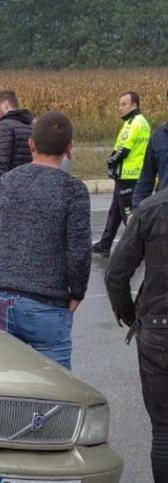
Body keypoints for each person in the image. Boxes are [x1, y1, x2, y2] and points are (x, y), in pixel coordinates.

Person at [0, 112, 90, 370]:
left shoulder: (5, 183)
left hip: (5, 302)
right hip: (50, 305)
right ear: (69, 148)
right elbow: (79, 252)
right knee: (54, 385)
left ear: (31, 144)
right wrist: (77, 292)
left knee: (5, 383)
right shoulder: (74, 191)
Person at [104, 187, 168, 483]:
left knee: (164, 430)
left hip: (159, 328)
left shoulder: (151, 209)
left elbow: (115, 275)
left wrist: (131, 315)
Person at [93, 91, 151, 257]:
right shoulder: (142, 122)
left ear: (134, 105)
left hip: (127, 175)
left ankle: (143, 249)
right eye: (119, 104)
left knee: (128, 216)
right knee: (115, 212)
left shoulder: (133, 123)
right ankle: (105, 244)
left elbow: (123, 150)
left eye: (124, 104)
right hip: (134, 174)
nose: (120, 108)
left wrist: (110, 162)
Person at [0, 90, 34, 201]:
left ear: (5, 105)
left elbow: (0, 166)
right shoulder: (30, 126)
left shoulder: (4, 126)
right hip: (30, 191)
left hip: (11, 194)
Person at [132, 89, 168, 208]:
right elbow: (145, 180)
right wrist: (136, 210)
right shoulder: (158, 137)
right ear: (166, 106)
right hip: (164, 211)